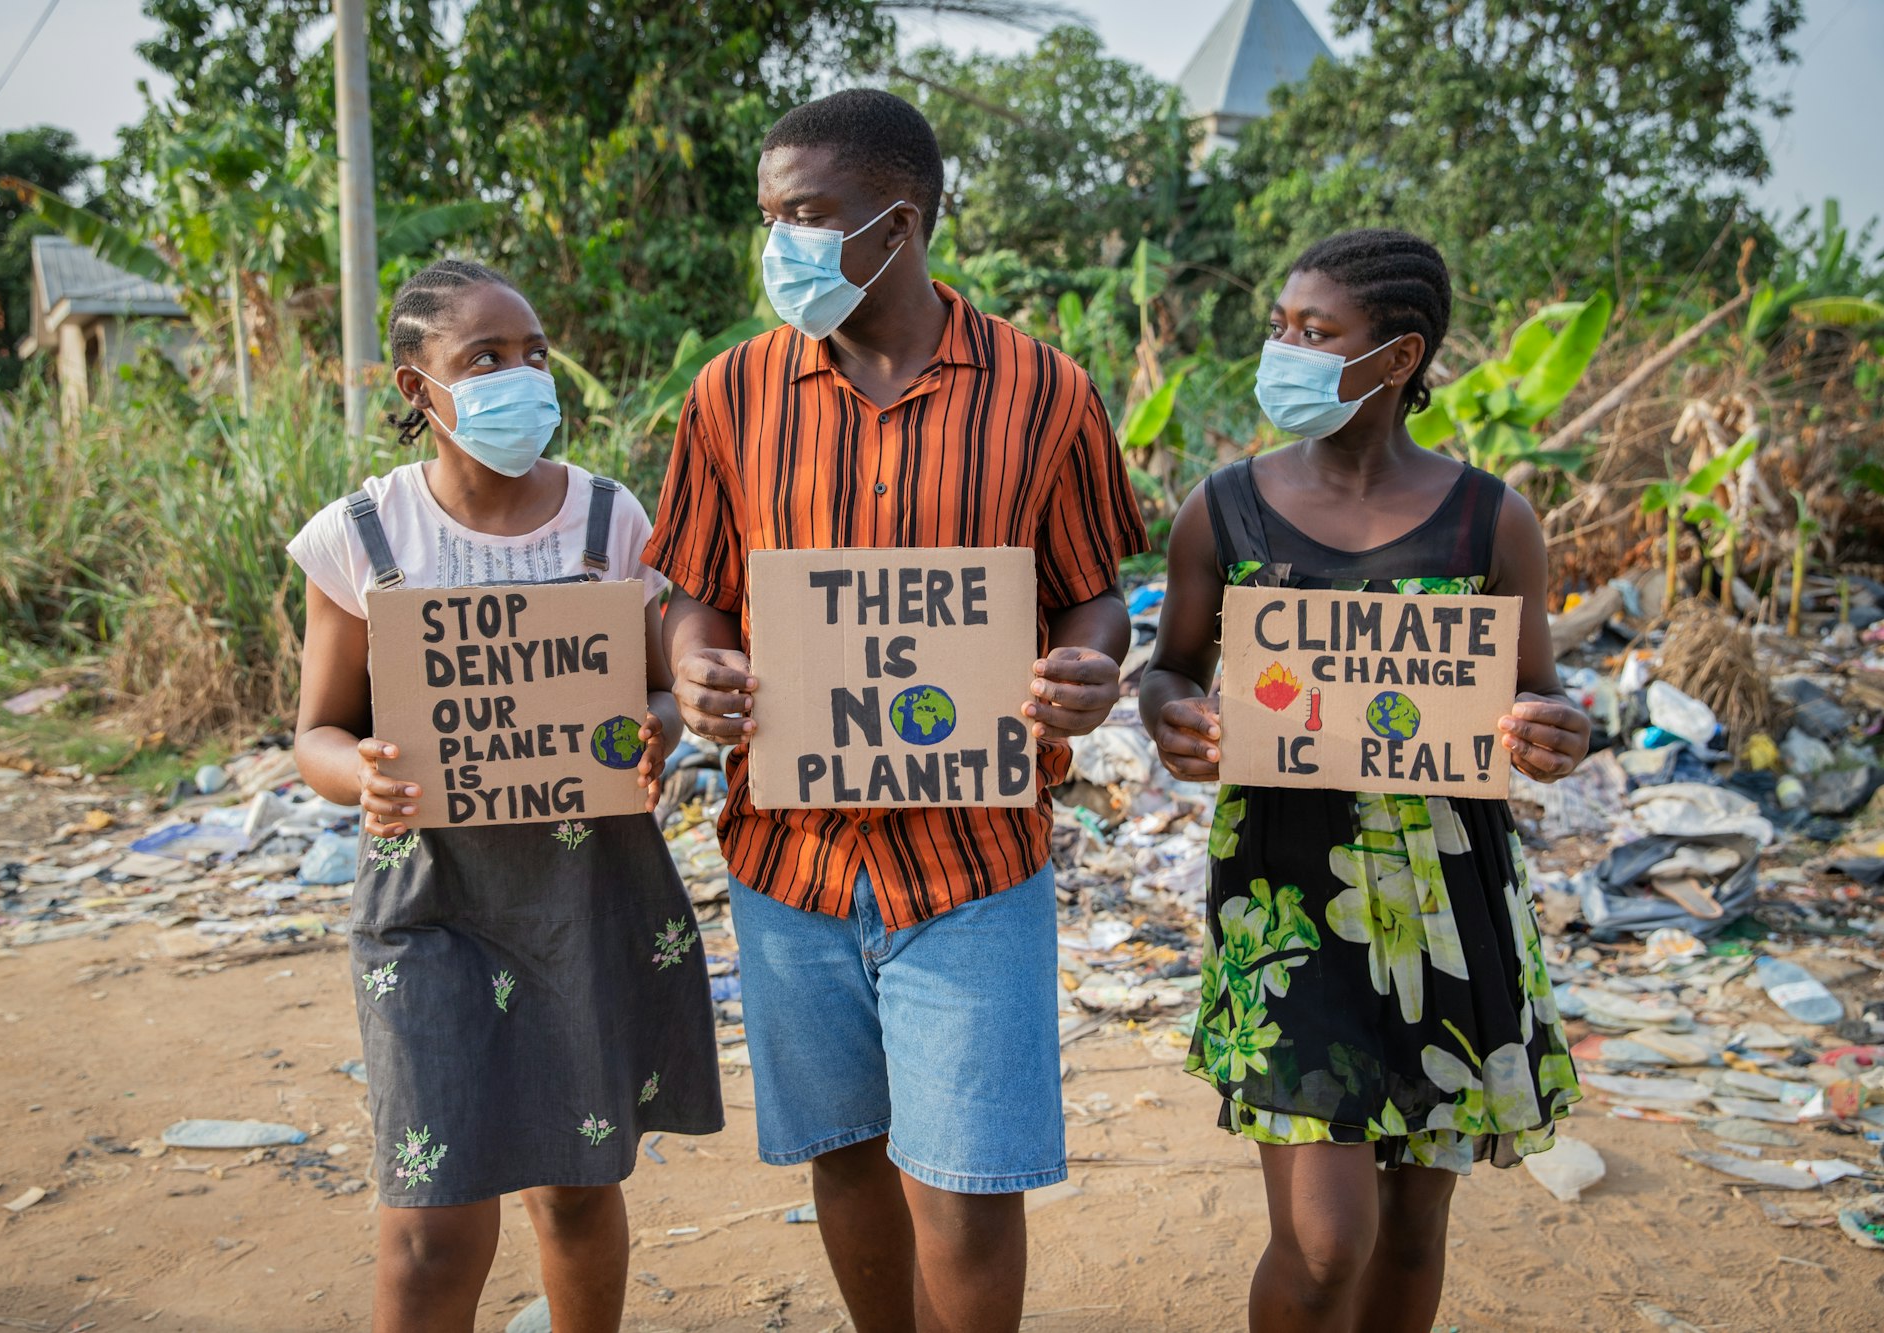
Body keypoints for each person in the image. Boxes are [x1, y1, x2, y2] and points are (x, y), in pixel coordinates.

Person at [642, 90, 1148, 1333]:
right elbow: (691, 596)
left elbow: (1093, 599)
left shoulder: (1044, 392)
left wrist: (1088, 668)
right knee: (845, 1153)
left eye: (806, 215)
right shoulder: (730, 395)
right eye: (769, 218)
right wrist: (699, 664)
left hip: (970, 860)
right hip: (788, 858)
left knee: (969, 1186)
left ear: (897, 221)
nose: (780, 245)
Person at [1138, 230, 1587, 1333]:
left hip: (1447, 905)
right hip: (1285, 903)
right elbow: (1166, 672)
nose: (1280, 349)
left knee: (1409, 1230)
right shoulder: (1224, 507)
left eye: (1313, 332)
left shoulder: (1490, 519)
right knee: (1329, 1241)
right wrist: (1172, 721)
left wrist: (1557, 730)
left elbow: (1543, 696)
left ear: (1395, 359)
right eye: (1277, 326)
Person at [287, 258, 723, 1333]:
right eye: (483, 358)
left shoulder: (612, 523)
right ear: (413, 387)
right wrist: (366, 781)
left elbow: (662, 695)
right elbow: (316, 735)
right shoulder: (362, 535)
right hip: (429, 901)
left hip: (587, 891)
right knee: (431, 1213)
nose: (519, 377)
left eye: (532, 354)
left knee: (576, 1187)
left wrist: (649, 736)